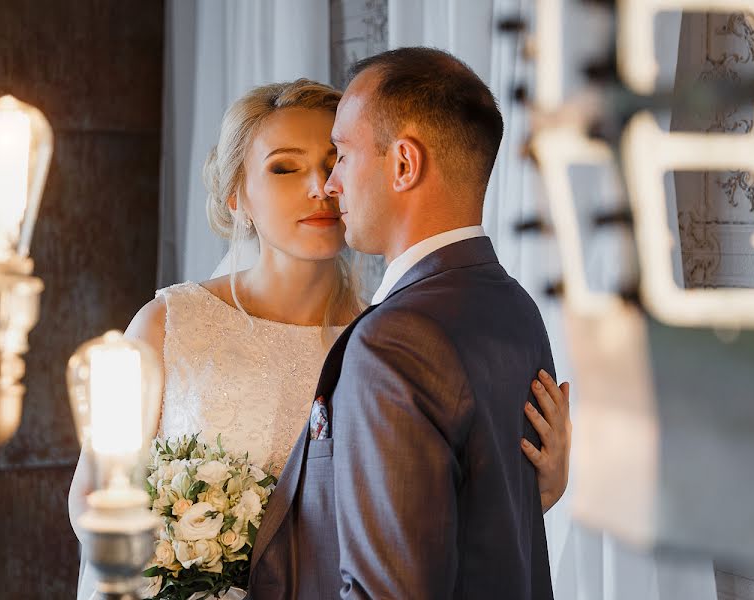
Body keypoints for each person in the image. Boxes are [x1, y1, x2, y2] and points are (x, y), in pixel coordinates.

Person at [69, 77, 570, 600]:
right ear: (237, 195)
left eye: (335, 162)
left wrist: (533, 491)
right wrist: (173, 573)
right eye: (285, 167)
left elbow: (421, 533)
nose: (320, 186)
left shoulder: (388, 345)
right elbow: (90, 496)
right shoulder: (163, 325)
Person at [247, 48, 564, 600]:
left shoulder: (393, 343)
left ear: (403, 164)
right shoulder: (514, 308)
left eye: (341, 155)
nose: (331, 184)